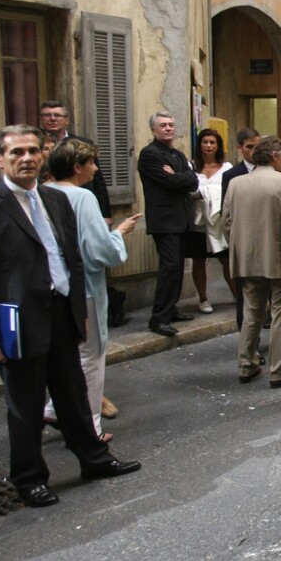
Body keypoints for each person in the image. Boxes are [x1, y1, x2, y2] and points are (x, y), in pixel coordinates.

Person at [0, 125, 141, 509]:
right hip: (16, 325)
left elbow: (70, 260)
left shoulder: (56, 200)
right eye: (16, 152)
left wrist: (77, 313)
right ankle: (29, 479)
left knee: (72, 394)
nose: (26, 158)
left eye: (33, 151)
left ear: (43, 155)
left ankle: (94, 460)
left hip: (61, 313)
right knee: (25, 408)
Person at [41, 140, 140, 443]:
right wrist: (119, 234)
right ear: (77, 167)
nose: (95, 169)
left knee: (63, 355)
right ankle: (91, 426)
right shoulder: (82, 197)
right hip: (83, 290)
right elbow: (98, 251)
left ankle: (54, 407)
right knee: (91, 357)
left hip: (52, 288)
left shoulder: (42, 193)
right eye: (92, 163)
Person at [223, 137, 281, 388]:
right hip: (280, 257)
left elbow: (226, 222)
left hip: (247, 259)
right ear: (275, 156)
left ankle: (246, 363)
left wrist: (240, 247)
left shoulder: (236, 183)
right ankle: (279, 369)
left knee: (252, 311)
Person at [137, 111, 199, 337]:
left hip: (181, 220)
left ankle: (171, 309)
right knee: (169, 269)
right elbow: (171, 181)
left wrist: (181, 177)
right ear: (154, 130)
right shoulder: (149, 154)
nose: (168, 128)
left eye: (171, 124)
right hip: (164, 221)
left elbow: (193, 182)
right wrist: (181, 177)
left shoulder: (178, 155)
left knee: (178, 269)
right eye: (163, 125)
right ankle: (159, 318)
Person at [186, 128, 235, 314]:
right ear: (199, 145)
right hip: (198, 222)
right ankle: (203, 298)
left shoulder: (227, 168)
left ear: (218, 146)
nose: (208, 145)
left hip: (219, 221)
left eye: (212, 142)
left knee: (226, 260)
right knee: (199, 260)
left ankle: (236, 294)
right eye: (205, 142)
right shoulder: (191, 167)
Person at [38, 100, 112, 221]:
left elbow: (98, 180)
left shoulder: (84, 144)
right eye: (47, 115)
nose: (52, 119)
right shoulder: (34, 145)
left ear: (67, 120)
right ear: (40, 119)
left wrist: (106, 214)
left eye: (57, 115)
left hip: (82, 204)